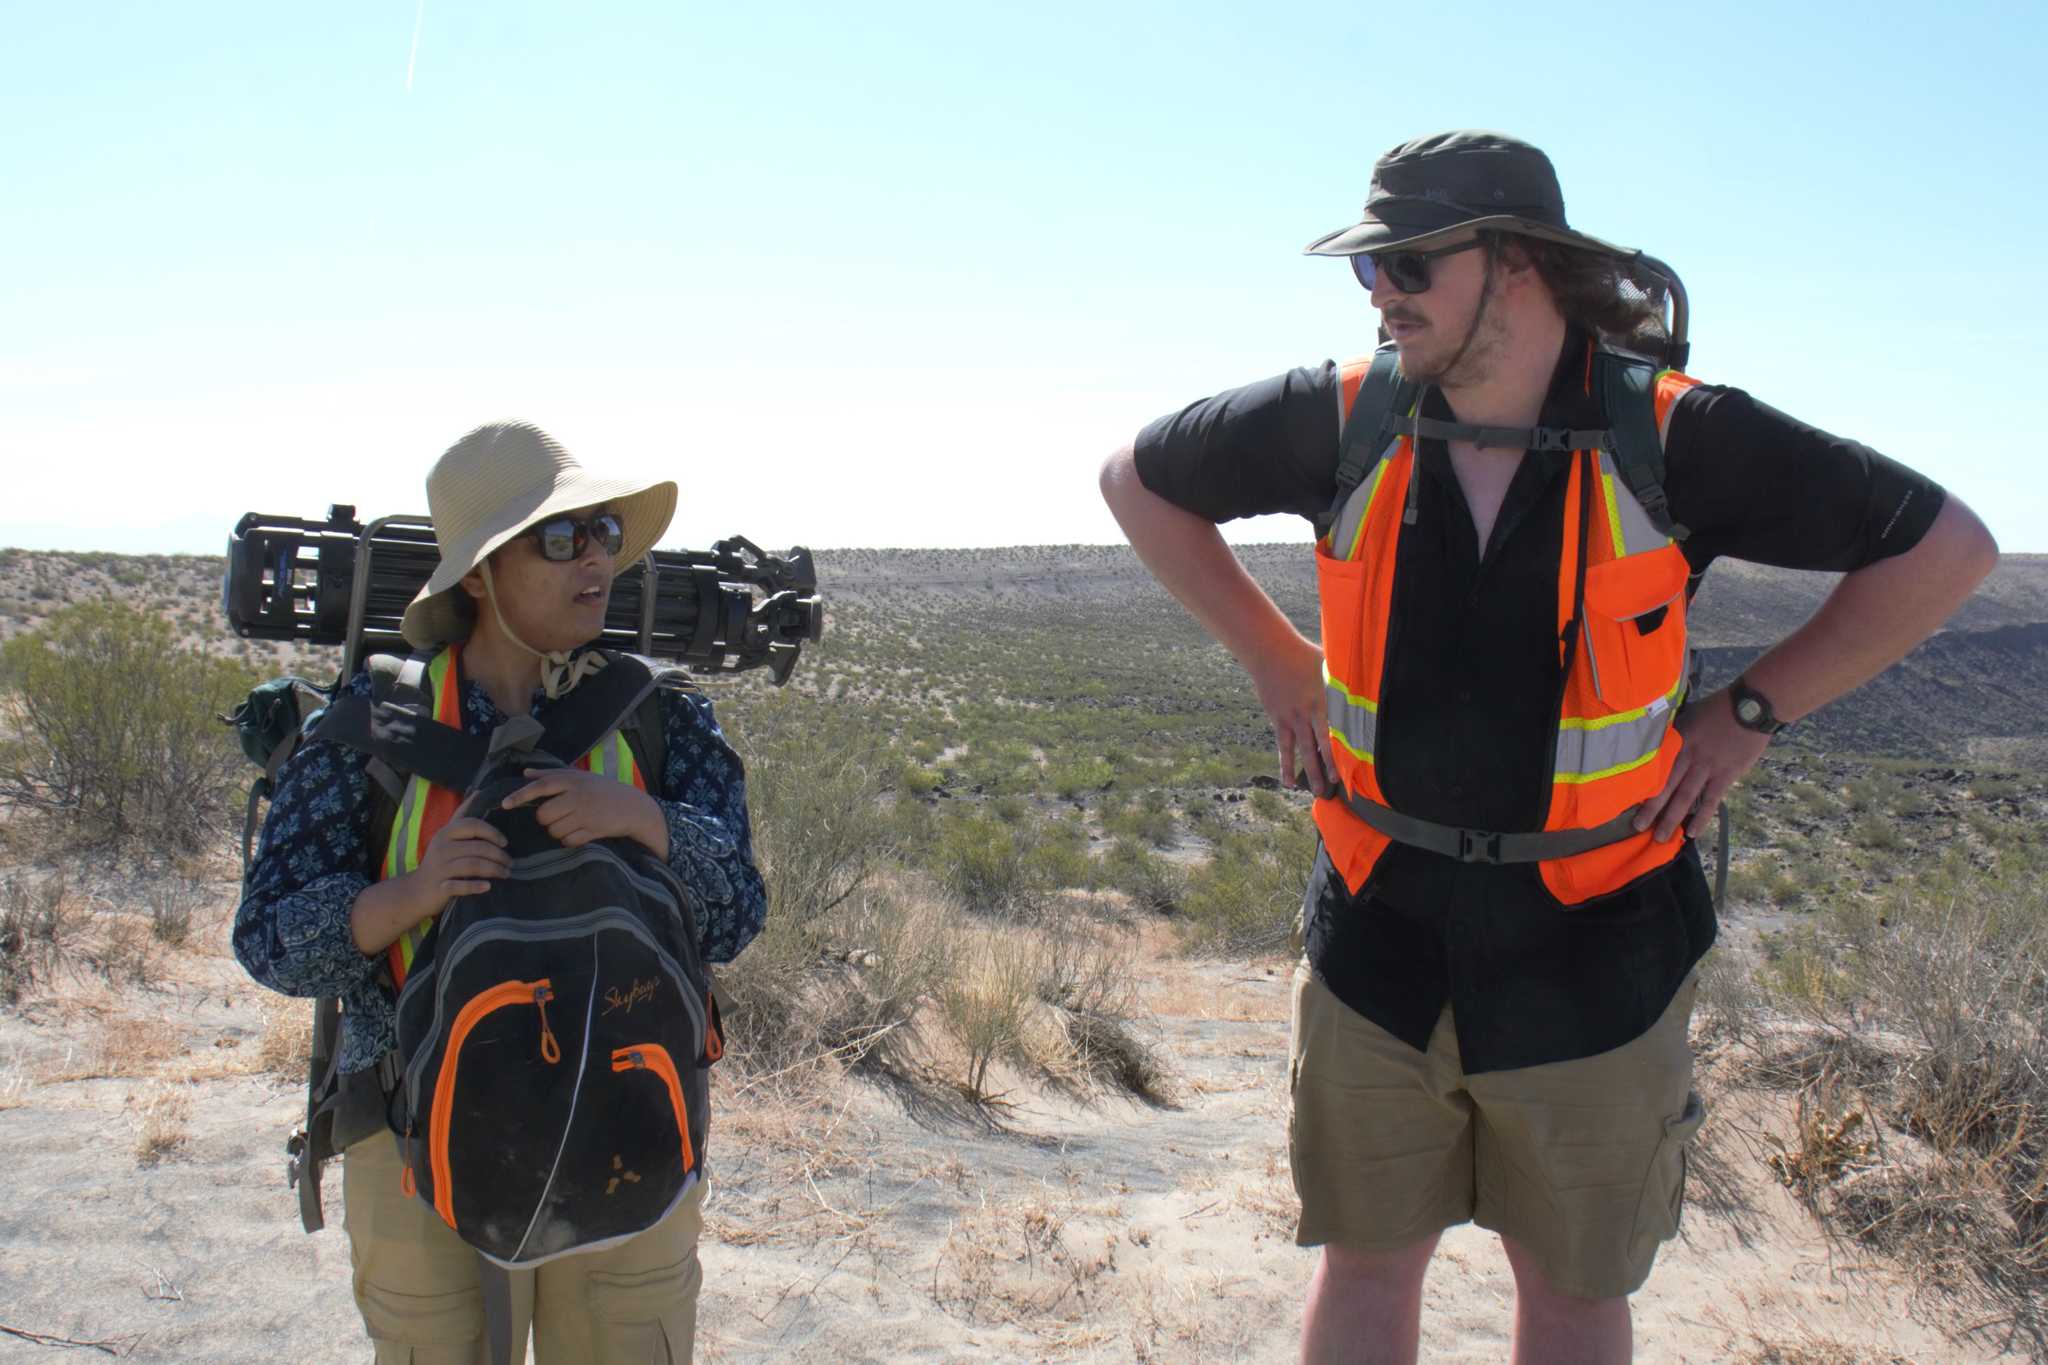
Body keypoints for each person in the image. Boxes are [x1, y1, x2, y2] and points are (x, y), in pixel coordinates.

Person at [1098, 130, 1997, 1364]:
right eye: (1368, 272)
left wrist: (1746, 715)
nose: (1380, 296)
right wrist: (1271, 660)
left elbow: (1945, 550)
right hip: (1376, 929)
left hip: (1597, 945)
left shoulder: (1674, 434)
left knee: (1573, 1293)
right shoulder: (1348, 415)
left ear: (1513, 262)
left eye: (1407, 264)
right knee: (1365, 1266)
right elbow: (1134, 479)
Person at [233, 421, 767, 1364]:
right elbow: (270, 939)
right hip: (414, 1148)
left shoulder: (658, 719)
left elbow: (734, 915)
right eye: (559, 539)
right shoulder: (370, 730)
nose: (596, 555)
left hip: (630, 1134)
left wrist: (641, 819)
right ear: (476, 575)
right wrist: (414, 893)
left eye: (602, 530)